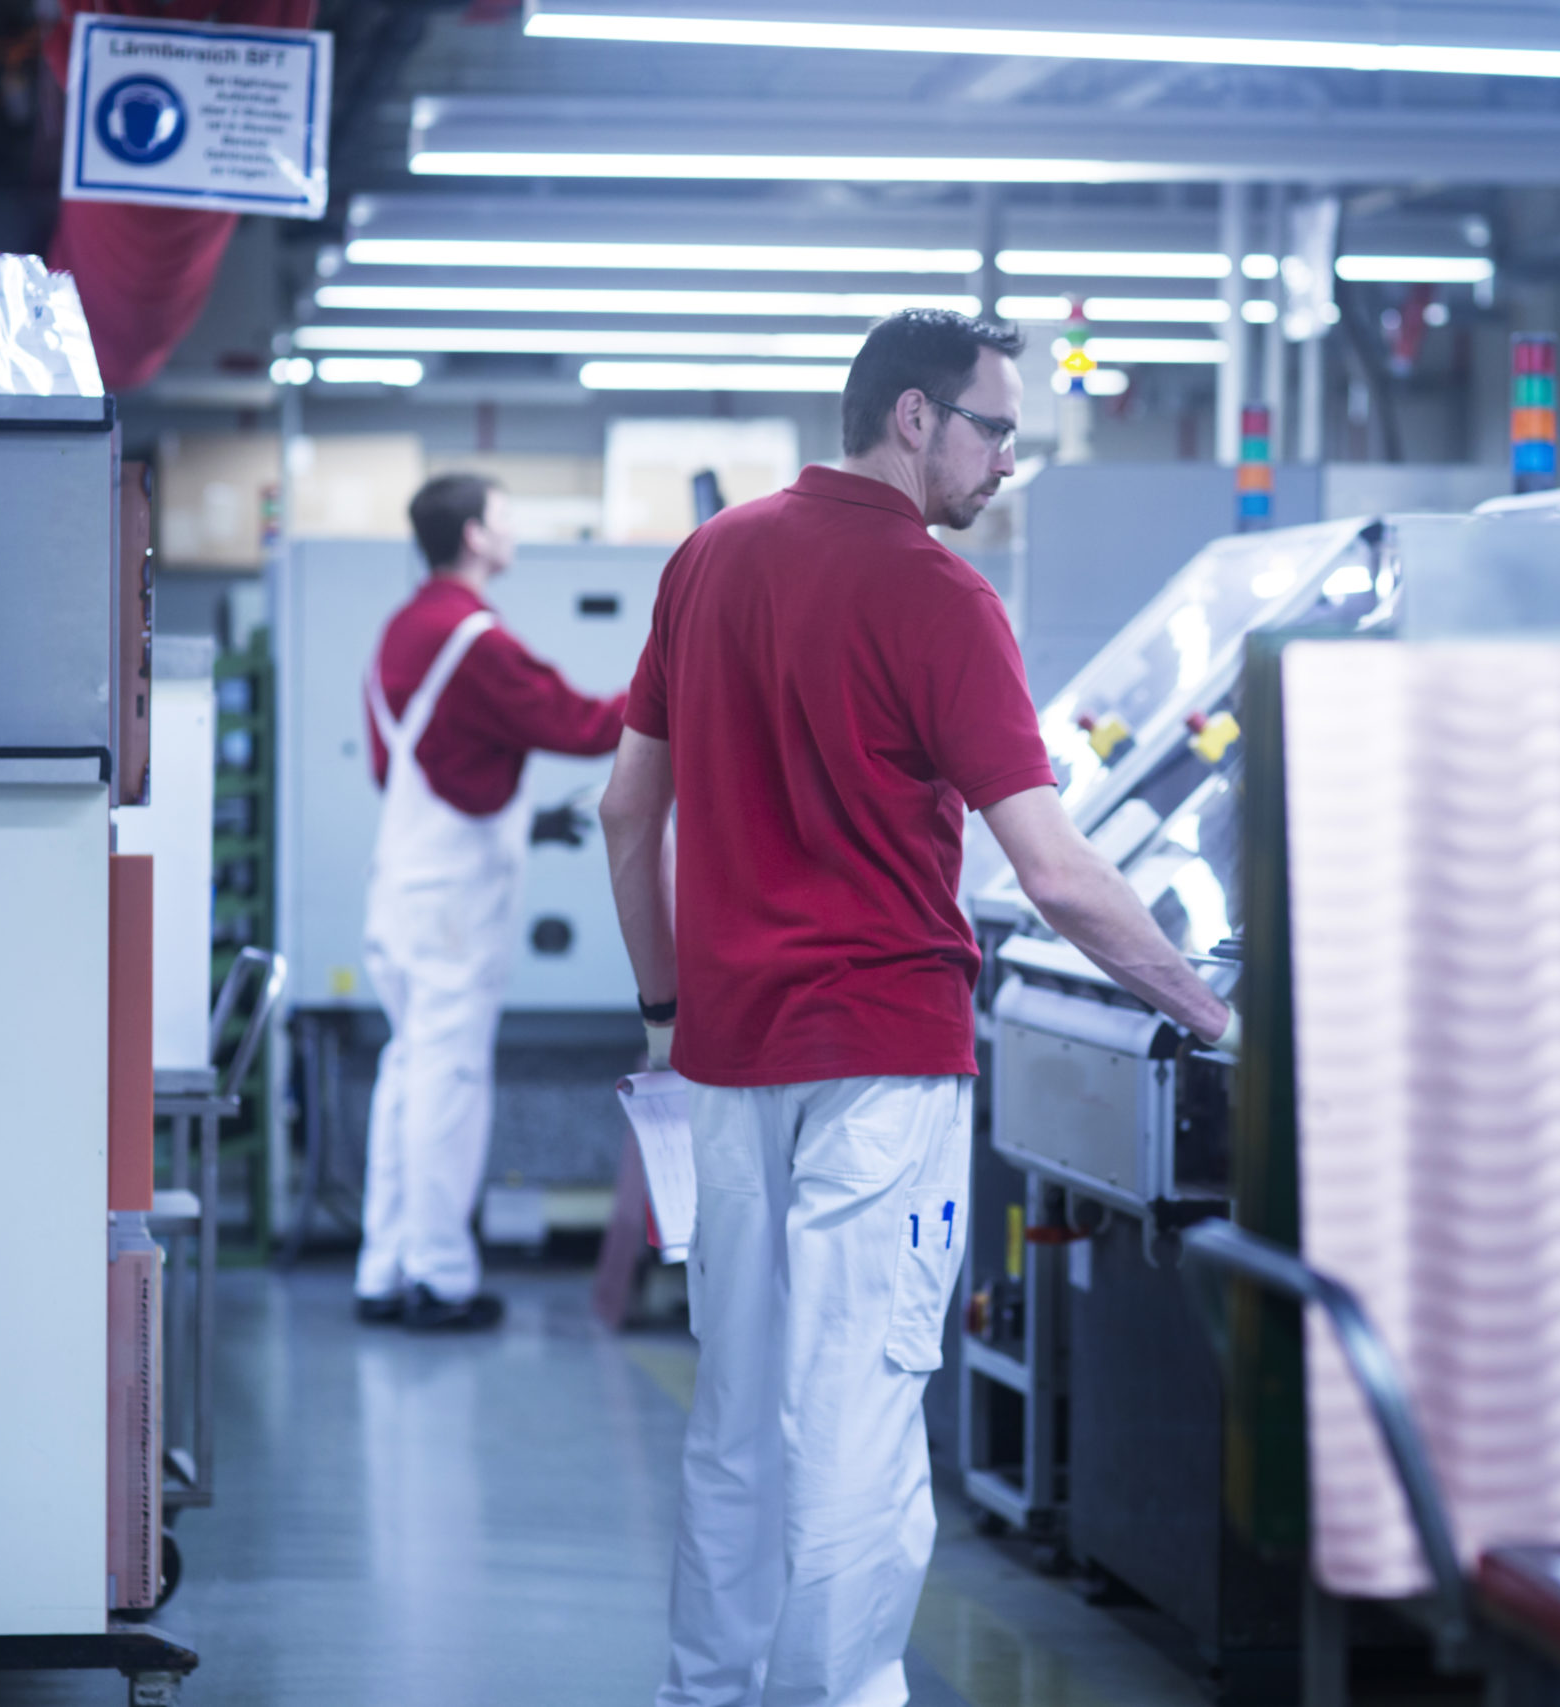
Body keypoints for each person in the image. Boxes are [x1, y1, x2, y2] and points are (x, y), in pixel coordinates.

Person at [601, 310, 1238, 1706]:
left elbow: (623, 808)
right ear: (912, 417)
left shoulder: (708, 559)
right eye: (996, 426)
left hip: (725, 1062)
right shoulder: (941, 600)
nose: (1009, 457)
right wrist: (1213, 1012)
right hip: (881, 1063)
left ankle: (707, 1691)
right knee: (858, 1421)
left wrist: (666, 1003)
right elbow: (1059, 873)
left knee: (735, 1420)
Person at [355, 472, 627, 1332]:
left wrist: (526, 818)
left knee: (408, 1073)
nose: (514, 531)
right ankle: (440, 1276)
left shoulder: (401, 630)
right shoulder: (474, 638)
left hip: (402, 885)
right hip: (455, 904)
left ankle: (385, 1265)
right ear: (473, 535)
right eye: (506, 517)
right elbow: (582, 724)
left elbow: (411, 764)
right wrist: (681, 682)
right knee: (451, 1078)